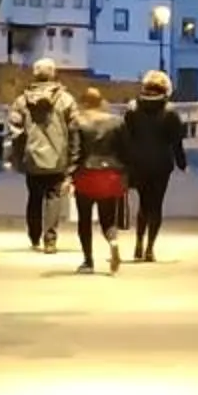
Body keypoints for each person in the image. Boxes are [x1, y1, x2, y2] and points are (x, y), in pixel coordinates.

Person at [116, 69, 188, 262]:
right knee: (156, 206)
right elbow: (177, 142)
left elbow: (124, 137)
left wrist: (122, 161)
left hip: (137, 164)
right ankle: (149, 248)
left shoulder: (132, 109)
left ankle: (138, 243)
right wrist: (182, 164)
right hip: (161, 165)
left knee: (143, 203)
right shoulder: (170, 112)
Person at [12, 58, 77, 252]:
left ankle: (34, 236)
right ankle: (50, 239)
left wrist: (17, 156)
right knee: (54, 197)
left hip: (32, 158)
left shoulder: (22, 100)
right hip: (58, 158)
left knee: (34, 196)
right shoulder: (66, 100)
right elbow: (75, 129)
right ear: (54, 73)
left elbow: (15, 130)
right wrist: (73, 158)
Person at [69, 86, 127, 274]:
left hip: (86, 174)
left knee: (84, 220)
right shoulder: (117, 122)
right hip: (110, 175)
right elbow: (124, 150)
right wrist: (124, 173)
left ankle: (88, 261)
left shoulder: (78, 122)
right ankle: (113, 241)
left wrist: (68, 174)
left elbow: (75, 151)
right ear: (102, 102)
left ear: (83, 103)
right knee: (108, 219)